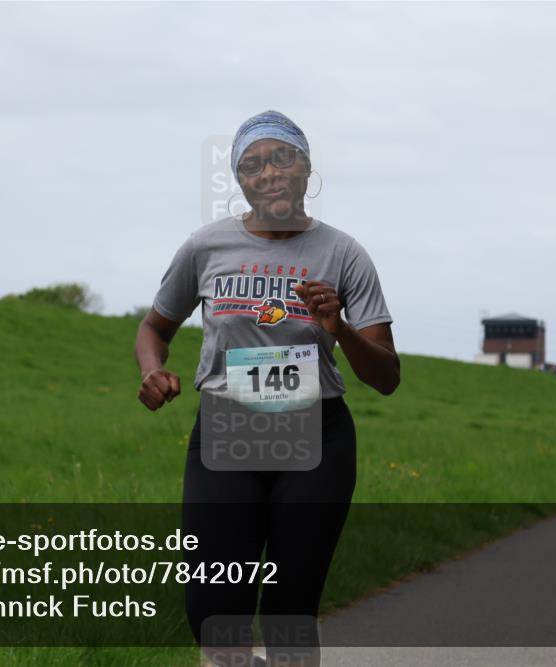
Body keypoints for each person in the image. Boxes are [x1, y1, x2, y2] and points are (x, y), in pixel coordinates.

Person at [135, 110, 400, 667]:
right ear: (239, 181)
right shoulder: (205, 247)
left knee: (289, 612)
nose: (270, 172)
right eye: (253, 165)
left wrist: (340, 328)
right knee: (211, 613)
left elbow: (386, 377)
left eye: (284, 158)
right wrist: (151, 370)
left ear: (306, 170)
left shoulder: (344, 253)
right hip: (226, 432)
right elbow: (154, 328)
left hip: (315, 438)